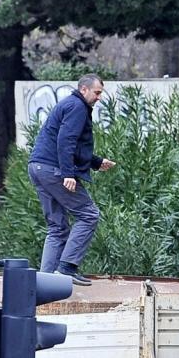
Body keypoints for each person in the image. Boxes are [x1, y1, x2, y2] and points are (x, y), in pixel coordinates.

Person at [28, 75, 114, 286]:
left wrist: (95, 162)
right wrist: (68, 174)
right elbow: (65, 140)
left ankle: (46, 282)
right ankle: (67, 268)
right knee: (89, 214)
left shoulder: (69, 104)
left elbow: (70, 144)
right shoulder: (77, 107)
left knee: (57, 227)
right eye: (97, 93)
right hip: (54, 170)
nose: (99, 98)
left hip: (38, 167)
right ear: (84, 89)